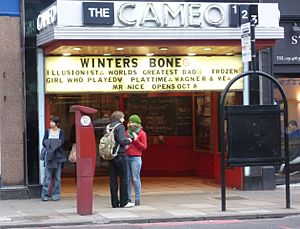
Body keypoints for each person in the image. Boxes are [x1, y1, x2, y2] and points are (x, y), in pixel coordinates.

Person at [108, 111, 134, 208]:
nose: (124, 119)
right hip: (120, 155)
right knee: (124, 179)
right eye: (123, 117)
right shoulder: (120, 127)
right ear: (120, 118)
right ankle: (124, 202)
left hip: (111, 155)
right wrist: (129, 140)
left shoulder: (108, 127)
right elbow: (122, 141)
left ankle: (114, 202)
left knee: (113, 179)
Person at [41, 116, 67, 201]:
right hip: (49, 157)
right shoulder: (47, 132)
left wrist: (50, 144)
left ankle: (56, 194)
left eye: (52, 122)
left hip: (58, 157)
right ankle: (45, 194)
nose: (50, 123)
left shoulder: (61, 132)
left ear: (57, 123)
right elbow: (44, 142)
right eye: (50, 122)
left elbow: (62, 142)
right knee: (47, 177)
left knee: (57, 177)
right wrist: (55, 144)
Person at [126, 114, 147, 206]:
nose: (131, 124)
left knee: (136, 179)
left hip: (136, 158)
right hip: (126, 157)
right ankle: (128, 198)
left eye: (133, 122)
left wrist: (136, 140)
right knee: (127, 178)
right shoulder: (127, 132)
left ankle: (137, 198)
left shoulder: (142, 133)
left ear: (138, 123)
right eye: (130, 122)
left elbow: (144, 147)